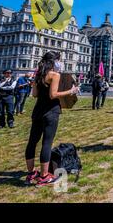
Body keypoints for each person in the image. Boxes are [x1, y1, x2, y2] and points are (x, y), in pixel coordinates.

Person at [25, 51, 79, 186]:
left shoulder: (38, 75)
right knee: (47, 143)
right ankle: (44, 175)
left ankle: (31, 173)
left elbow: (35, 94)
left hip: (37, 111)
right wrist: (71, 91)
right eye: (59, 60)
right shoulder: (54, 75)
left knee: (32, 141)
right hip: (50, 111)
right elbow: (53, 95)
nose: (60, 63)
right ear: (54, 61)